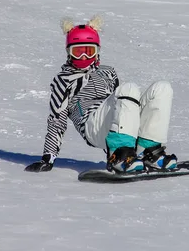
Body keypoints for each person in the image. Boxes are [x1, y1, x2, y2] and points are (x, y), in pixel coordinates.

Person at [25, 16, 178, 173]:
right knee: (129, 88)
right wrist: (48, 158)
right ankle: (119, 155)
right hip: (92, 126)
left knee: (162, 88)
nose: (83, 57)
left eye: (89, 51)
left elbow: (122, 106)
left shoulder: (108, 72)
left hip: (115, 124)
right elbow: (57, 121)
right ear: (68, 53)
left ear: (97, 51)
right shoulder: (63, 80)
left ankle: (150, 152)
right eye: (77, 52)